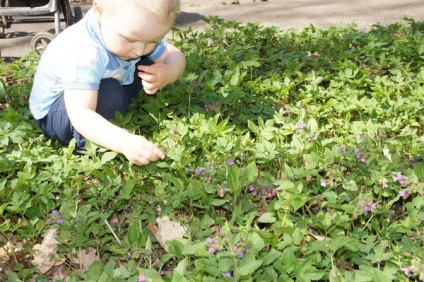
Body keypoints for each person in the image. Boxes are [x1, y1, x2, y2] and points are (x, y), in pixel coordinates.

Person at [29, 0, 186, 166]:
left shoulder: (130, 30)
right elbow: (81, 114)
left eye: (153, 41)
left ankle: (117, 109)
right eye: (130, 39)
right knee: (110, 95)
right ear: (99, 11)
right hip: (60, 113)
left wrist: (169, 72)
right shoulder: (84, 53)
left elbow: (173, 54)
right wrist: (124, 141)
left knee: (149, 64)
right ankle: (88, 145)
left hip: (99, 83)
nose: (140, 49)